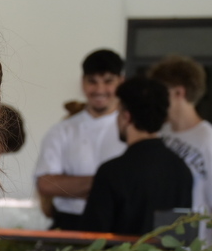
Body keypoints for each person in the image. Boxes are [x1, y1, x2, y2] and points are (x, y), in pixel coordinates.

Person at [79, 77, 193, 236]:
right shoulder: (181, 170)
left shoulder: (112, 173)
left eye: (118, 112)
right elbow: (179, 237)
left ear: (126, 117)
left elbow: (92, 239)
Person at [34, 49, 126, 230]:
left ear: (121, 82)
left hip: (118, 225)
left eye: (108, 81)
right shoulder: (63, 130)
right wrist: (108, 185)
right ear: (83, 83)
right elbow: (46, 184)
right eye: (92, 81)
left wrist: (72, 185)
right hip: (71, 223)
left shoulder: (132, 128)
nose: (100, 90)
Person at [148, 55, 212, 238]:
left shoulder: (210, 141)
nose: (154, 99)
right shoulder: (161, 133)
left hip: (196, 248)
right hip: (162, 242)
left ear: (178, 93)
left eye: (160, 92)